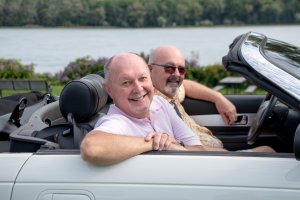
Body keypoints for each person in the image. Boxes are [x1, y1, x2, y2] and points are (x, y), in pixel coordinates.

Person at [80, 53, 225, 166]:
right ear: (109, 90)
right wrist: (154, 143)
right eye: (126, 82)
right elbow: (92, 148)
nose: (138, 89)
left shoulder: (159, 102)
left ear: (150, 77)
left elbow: (197, 150)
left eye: (142, 78)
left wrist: (239, 154)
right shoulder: (117, 122)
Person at [148, 45, 274, 152]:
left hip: (211, 153)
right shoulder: (151, 104)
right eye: (169, 68)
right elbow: (180, 148)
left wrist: (218, 98)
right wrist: (227, 155)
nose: (176, 74)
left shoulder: (168, 90)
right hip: (204, 159)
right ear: (150, 69)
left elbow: (186, 85)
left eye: (181, 70)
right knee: (268, 151)